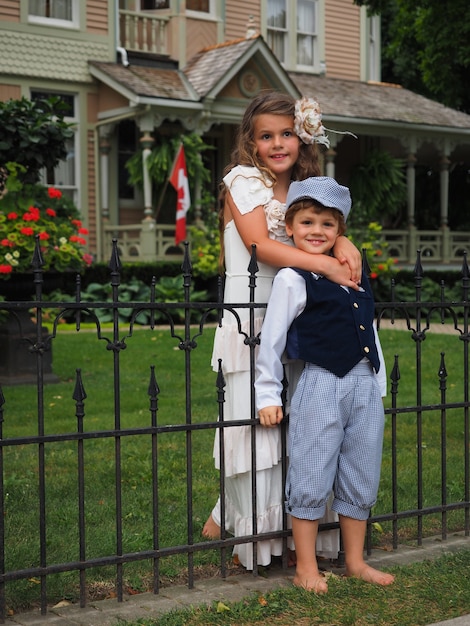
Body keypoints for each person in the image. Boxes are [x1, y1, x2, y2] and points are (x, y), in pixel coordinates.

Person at [202, 90, 363, 570]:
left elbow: (318, 225)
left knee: (304, 422)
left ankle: (301, 529)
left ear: (302, 137)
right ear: (251, 142)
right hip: (253, 312)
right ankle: (251, 529)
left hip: (303, 312)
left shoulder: (307, 186)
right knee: (255, 423)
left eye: (287, 133)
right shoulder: (243, 181)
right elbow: (259, 244)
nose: (278, 144)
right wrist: (326, 264)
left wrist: (345, 240)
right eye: (266, 136)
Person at [255, 176, 395, 592]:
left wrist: (378, 380)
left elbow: (369, 328)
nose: (316, 231)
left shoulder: (354, 270)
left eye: (327, 225)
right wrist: (267, 393)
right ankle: (305, 568)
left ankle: (354, 561)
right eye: (307, 222)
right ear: (290, 228)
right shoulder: (293, 278)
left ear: (340, 231)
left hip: (364, 384)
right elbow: (272, 340)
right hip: (321, 383)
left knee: (361, 471)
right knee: (312, 470)